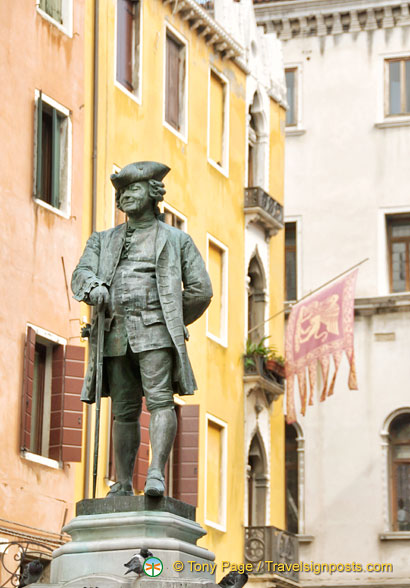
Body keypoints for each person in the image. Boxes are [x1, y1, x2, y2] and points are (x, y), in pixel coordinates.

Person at [71, 161, 212, 497]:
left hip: (156, 333)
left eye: (133, 189)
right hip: (115, 333)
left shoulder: (177, 240)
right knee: (123, 411)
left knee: (161, 401)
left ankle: (155, 475)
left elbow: (201, 290)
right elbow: (81, 273)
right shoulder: (102, 240)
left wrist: (172, 318)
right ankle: (122, 482)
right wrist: (93, 287)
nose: (126, 197)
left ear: (153, 193)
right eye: (122, 192)